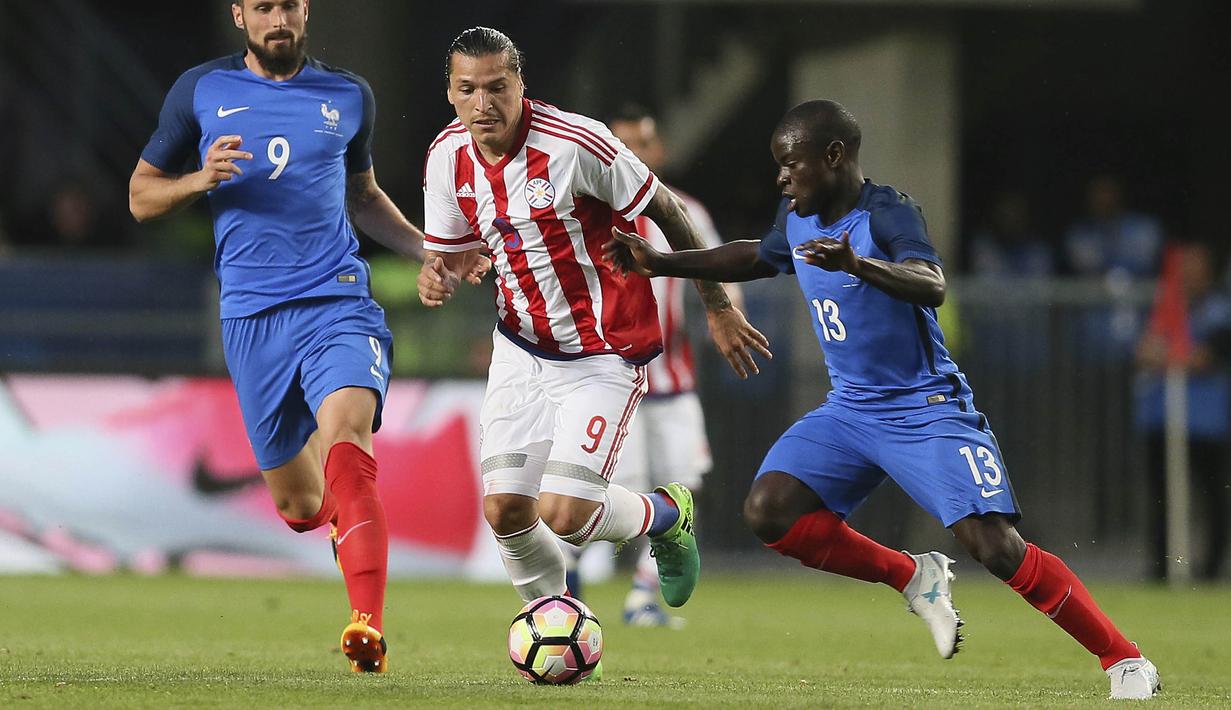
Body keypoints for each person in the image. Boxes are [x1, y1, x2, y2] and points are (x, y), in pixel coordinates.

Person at [604, 99, 1160, 700]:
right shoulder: (797, 214)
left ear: (834, 157)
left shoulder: (888, 212)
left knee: (992, 546)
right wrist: (661, 261)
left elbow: (933, 284)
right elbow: (758, 255)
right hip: (849, 409)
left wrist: (859, 264)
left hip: (925, 408)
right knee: (769, 510)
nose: (782, 177)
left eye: (791, 164)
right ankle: (912, 575)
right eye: (779, 167)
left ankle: (1124, 659)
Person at [128, 0, 470, 673]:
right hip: (252, 321)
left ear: (305, 12)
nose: (276, 17)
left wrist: (428, 250)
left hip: (336, 302)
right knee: (302, 505)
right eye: (263, 7)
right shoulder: (202, 90)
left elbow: (363, 196)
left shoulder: (347, 95)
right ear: (239, 16)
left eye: (287, 5)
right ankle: (345, 528)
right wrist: (198, 180)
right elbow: (141, 197)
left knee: (348, 436)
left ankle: (366, 627)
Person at [417, 27, 770, 622]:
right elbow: (453, 253)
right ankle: (554, 625)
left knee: (566, 516)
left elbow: (671, 212)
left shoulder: (577, 143)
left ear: (519, 84)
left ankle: (666, 515)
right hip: (521, 348)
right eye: (468, 89)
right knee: (504, 510)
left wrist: (716, 305)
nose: (484, 103)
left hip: (602, 352)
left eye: (497, 87)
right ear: (450, 93)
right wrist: (442, 274)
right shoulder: (445, 158)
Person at [560, 104, 741, 628]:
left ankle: (641, 596)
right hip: (613, 376)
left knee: (685, 486)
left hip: (674, 379)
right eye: (625, 144)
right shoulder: (588, 211)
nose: (634, 155)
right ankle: (568, 580)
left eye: (643, 144)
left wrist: (729, 315)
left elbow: (719, 270)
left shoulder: (687, 212)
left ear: (657, 151)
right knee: (617, 492)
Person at [1135, 241, 1231, 581]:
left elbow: (1205, 358)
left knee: (1212, 496)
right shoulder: (1167, 310)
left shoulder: (1220, 312)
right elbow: (1145, 351)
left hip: (1207, 421)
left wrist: (1171, 358)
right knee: (1162, 497)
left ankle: (1211, 570)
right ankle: (1161, 569)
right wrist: (1173, 358)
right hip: (1165, 417)